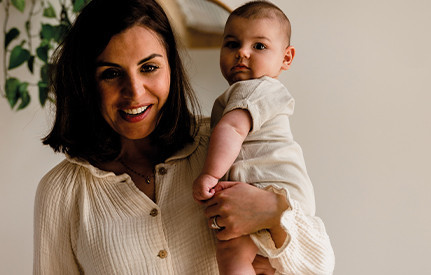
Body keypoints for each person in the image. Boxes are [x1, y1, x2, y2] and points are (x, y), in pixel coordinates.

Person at [34, 0, 335, 274]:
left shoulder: (223, 150)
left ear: (171, 70)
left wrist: (271, 212)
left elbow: (320, 266)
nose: (135, 92)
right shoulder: (62, 193)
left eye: (149, 67)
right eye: (111, 73)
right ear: (86, 83)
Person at [192, 1, 330, 274]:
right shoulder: (248, 92)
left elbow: (231, 129)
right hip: (268, 191)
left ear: (286, 58)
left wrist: (209, 174)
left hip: (272, 188)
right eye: (232, 44)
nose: (242, 53)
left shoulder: (258, 89)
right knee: (247, 258)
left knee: (232, 250)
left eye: (259, 46)